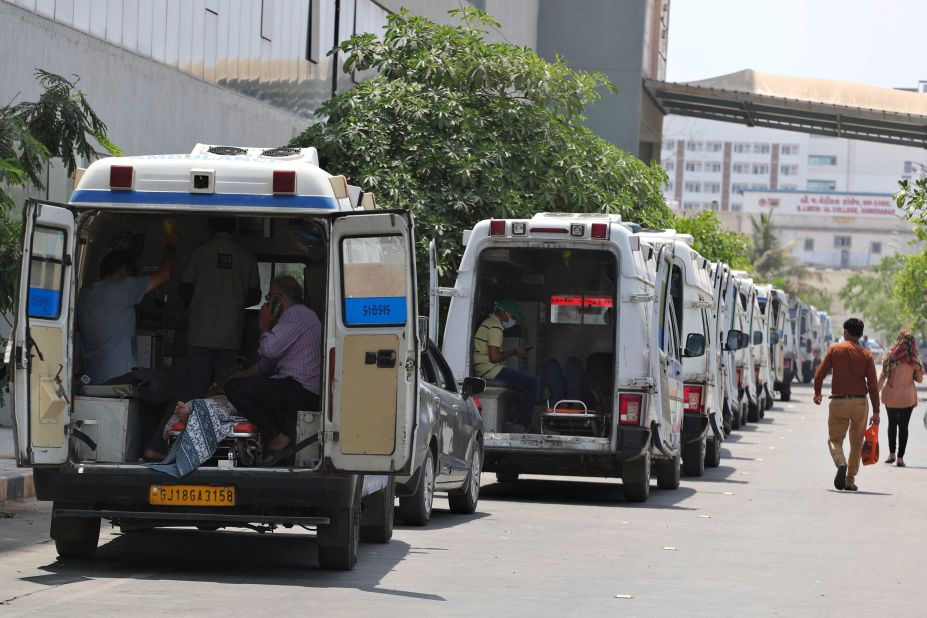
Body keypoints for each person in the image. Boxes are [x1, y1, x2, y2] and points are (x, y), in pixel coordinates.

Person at [77, 233, 182, 461]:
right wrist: (171, 246)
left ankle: (146, 448)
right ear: (123, 272)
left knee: (152, 389)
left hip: (93, 377)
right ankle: (154, 447)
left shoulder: (85, 295)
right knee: (177, 383)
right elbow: (164, 275)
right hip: (119, 377)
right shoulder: (121, 288)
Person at [225, 276, 321, 464]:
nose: (267, 303)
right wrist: (242, 375)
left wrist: (263, 325)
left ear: (277, 298)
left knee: (235, 389)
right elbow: (267, 364)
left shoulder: (295, 314)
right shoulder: (298, 317)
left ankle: (277, 436)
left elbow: (268, 349)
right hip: (296, 387)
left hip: (300, 389)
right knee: (238, 385)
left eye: (269, 298)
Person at [178, 217, 261, 397]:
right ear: (235, 229)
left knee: (197, 388)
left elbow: (183, 287)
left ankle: (193, 422)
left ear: (210, 229)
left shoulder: (199, 253)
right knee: (225, 388)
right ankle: (220, 424)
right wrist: (234, 301)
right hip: (231, 335)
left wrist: (197, 302)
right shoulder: (246, 256)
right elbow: (256, 296)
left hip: (198, 334)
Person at [813, 318, 880, 492]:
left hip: (839, 401)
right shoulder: (866, 354)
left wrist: (818, 392)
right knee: (857, 442)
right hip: (860, 403)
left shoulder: (835, 350)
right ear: (860, 334)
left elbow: (819, 374)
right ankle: (849, 481)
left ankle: (840, 463)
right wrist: (876, 411)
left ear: (846, 332)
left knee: (835, 439)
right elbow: (873, 385)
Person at [472, 299, 538, 432]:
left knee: (522, 389)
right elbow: (494, 357)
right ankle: (521, 424)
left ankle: (511, 422)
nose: (513, 320)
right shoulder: (495, 326)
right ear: (505, 313)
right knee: (532, 382)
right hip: (490, 369)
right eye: (513, 316)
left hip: (485, 368)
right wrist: (515, 352)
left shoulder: (489, 323)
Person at [878, 329, 924, 467]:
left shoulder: (890, 356)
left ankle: (891, 454)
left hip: (891, 395)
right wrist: (913, 375)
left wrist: (875, 392)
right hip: (907, 397)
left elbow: (882, 376)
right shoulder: (913, 358)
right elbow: (920, 379)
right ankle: (900, 458)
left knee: (892, 424)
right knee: (903, 426)